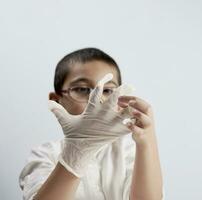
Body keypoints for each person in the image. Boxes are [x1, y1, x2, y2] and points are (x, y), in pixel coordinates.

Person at [19, 48, 164, 200]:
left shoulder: (128, 150)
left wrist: (147, 142)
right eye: (82, 89)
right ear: (57, 101)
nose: (97, 99)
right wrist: (78, 151)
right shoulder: (45, 154)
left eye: (107, 90)